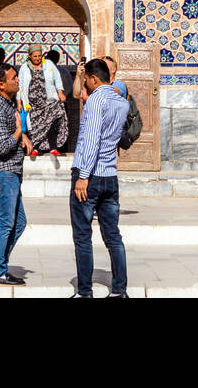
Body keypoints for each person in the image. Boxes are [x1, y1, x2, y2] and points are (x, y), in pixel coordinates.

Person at [70, 57, 130, 299]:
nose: (86, 85)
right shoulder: (121, 101)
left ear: (94, 78)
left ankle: (85, 292)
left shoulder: (96, 100)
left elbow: (92, 138)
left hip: (91, 176)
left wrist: (83, 177)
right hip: (110, 176)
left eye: (86, 80)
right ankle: (119, 290)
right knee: (113, 236)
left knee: (83, 235)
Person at [0, 62, 33, 285]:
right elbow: (2, 146)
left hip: (11, 171)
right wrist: (19, 131)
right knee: (5, 223)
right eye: (13, 78)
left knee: (18, 222)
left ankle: (0, 264)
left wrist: (21, 136)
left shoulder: (7, 104)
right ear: (1, 84)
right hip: (2, 172)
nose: (17, 80)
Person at [18, 45, 68, 158]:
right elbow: (19, 85)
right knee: (36, 126)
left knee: (50, 122)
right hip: (32, 104)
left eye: (39, 56)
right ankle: (35, 148)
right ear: (29, 56)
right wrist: (19, 102)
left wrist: (60, 92)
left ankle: (53, 147)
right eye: (35, 56)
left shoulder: (48, 64)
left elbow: (57, 78)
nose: (37, 58)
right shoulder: (24, 67)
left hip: (48, 101)